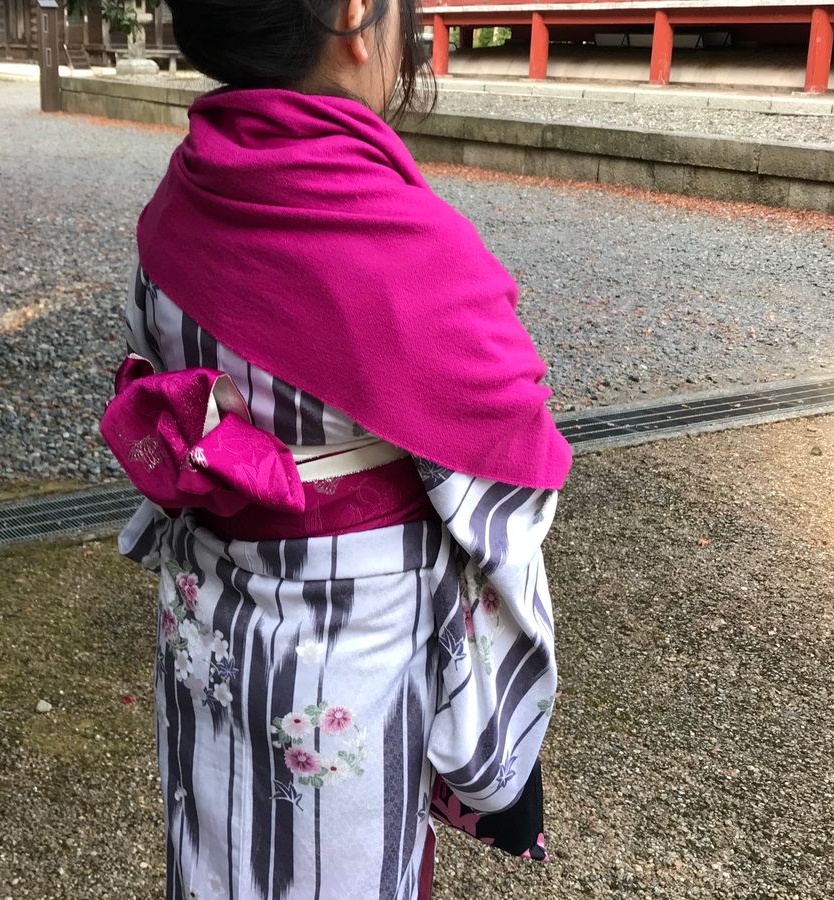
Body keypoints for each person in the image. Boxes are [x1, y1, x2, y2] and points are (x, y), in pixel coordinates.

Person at [101, 1, 573, 896]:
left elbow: (154, 362)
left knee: (215, 849)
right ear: (357, 12)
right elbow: (511, 451)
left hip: (205, 615)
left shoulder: (184, 193)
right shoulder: (407, 245)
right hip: (346, 646)